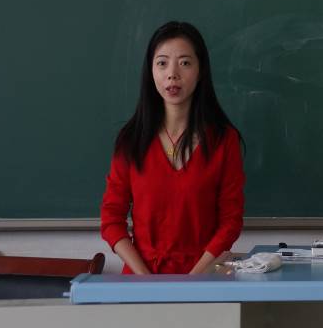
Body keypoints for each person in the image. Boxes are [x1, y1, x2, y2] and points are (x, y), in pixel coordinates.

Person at [100, 21, 245, 274]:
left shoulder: (223, 140)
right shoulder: (131, 140)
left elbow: (230, 222)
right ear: (151, 71)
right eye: (162, 63)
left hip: (203, 277)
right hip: (141, 279)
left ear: (200, 71)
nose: (172, 74)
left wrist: (192, 281)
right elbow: (111, 219)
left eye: (185, 63)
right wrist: (146, 280)